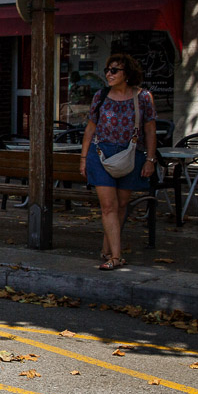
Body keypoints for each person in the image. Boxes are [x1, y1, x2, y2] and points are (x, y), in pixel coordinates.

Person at [80, 53, 157, 271]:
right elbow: (90, 128)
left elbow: (150, 131)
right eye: (107, 70)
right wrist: (83, 158)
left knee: (121, 205)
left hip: (131, 154)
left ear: (127, 73)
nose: (109, 74)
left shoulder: (143, 97)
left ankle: (107, 249)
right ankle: (115, 256)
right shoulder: (101, 95)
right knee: (108, 206)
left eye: (114, 70)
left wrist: (150, 159)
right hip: (101, 153)